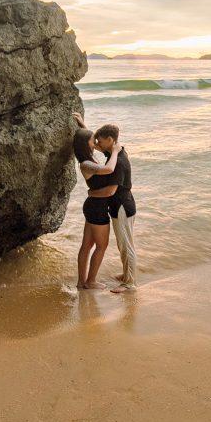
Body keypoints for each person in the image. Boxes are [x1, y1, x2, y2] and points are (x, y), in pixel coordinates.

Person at [74, 113, 138, 293]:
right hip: (104, 207)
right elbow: (92, 143)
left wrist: (91, 192)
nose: (96, 144)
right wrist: (83, 128)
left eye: (99, 141)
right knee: (108, 245)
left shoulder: (116, 161)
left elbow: (110, 190)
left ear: (110, 140)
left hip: (122, 206)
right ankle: (120, 278)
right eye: (94, 141)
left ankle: (129, 282)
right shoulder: (112, 154)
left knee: (125, 245)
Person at [71, 123, 122, 290]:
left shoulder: (89, 158)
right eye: (93, 140)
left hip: (93, 206)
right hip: (96, 208)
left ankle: (81, 283)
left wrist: (82, 125)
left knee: (87, 245)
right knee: (101, 246)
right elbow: (108, 169)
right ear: (86, 144)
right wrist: (115, 152)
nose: (97, 142)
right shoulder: (85, 163)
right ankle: (90, 281)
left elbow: (96, 143)